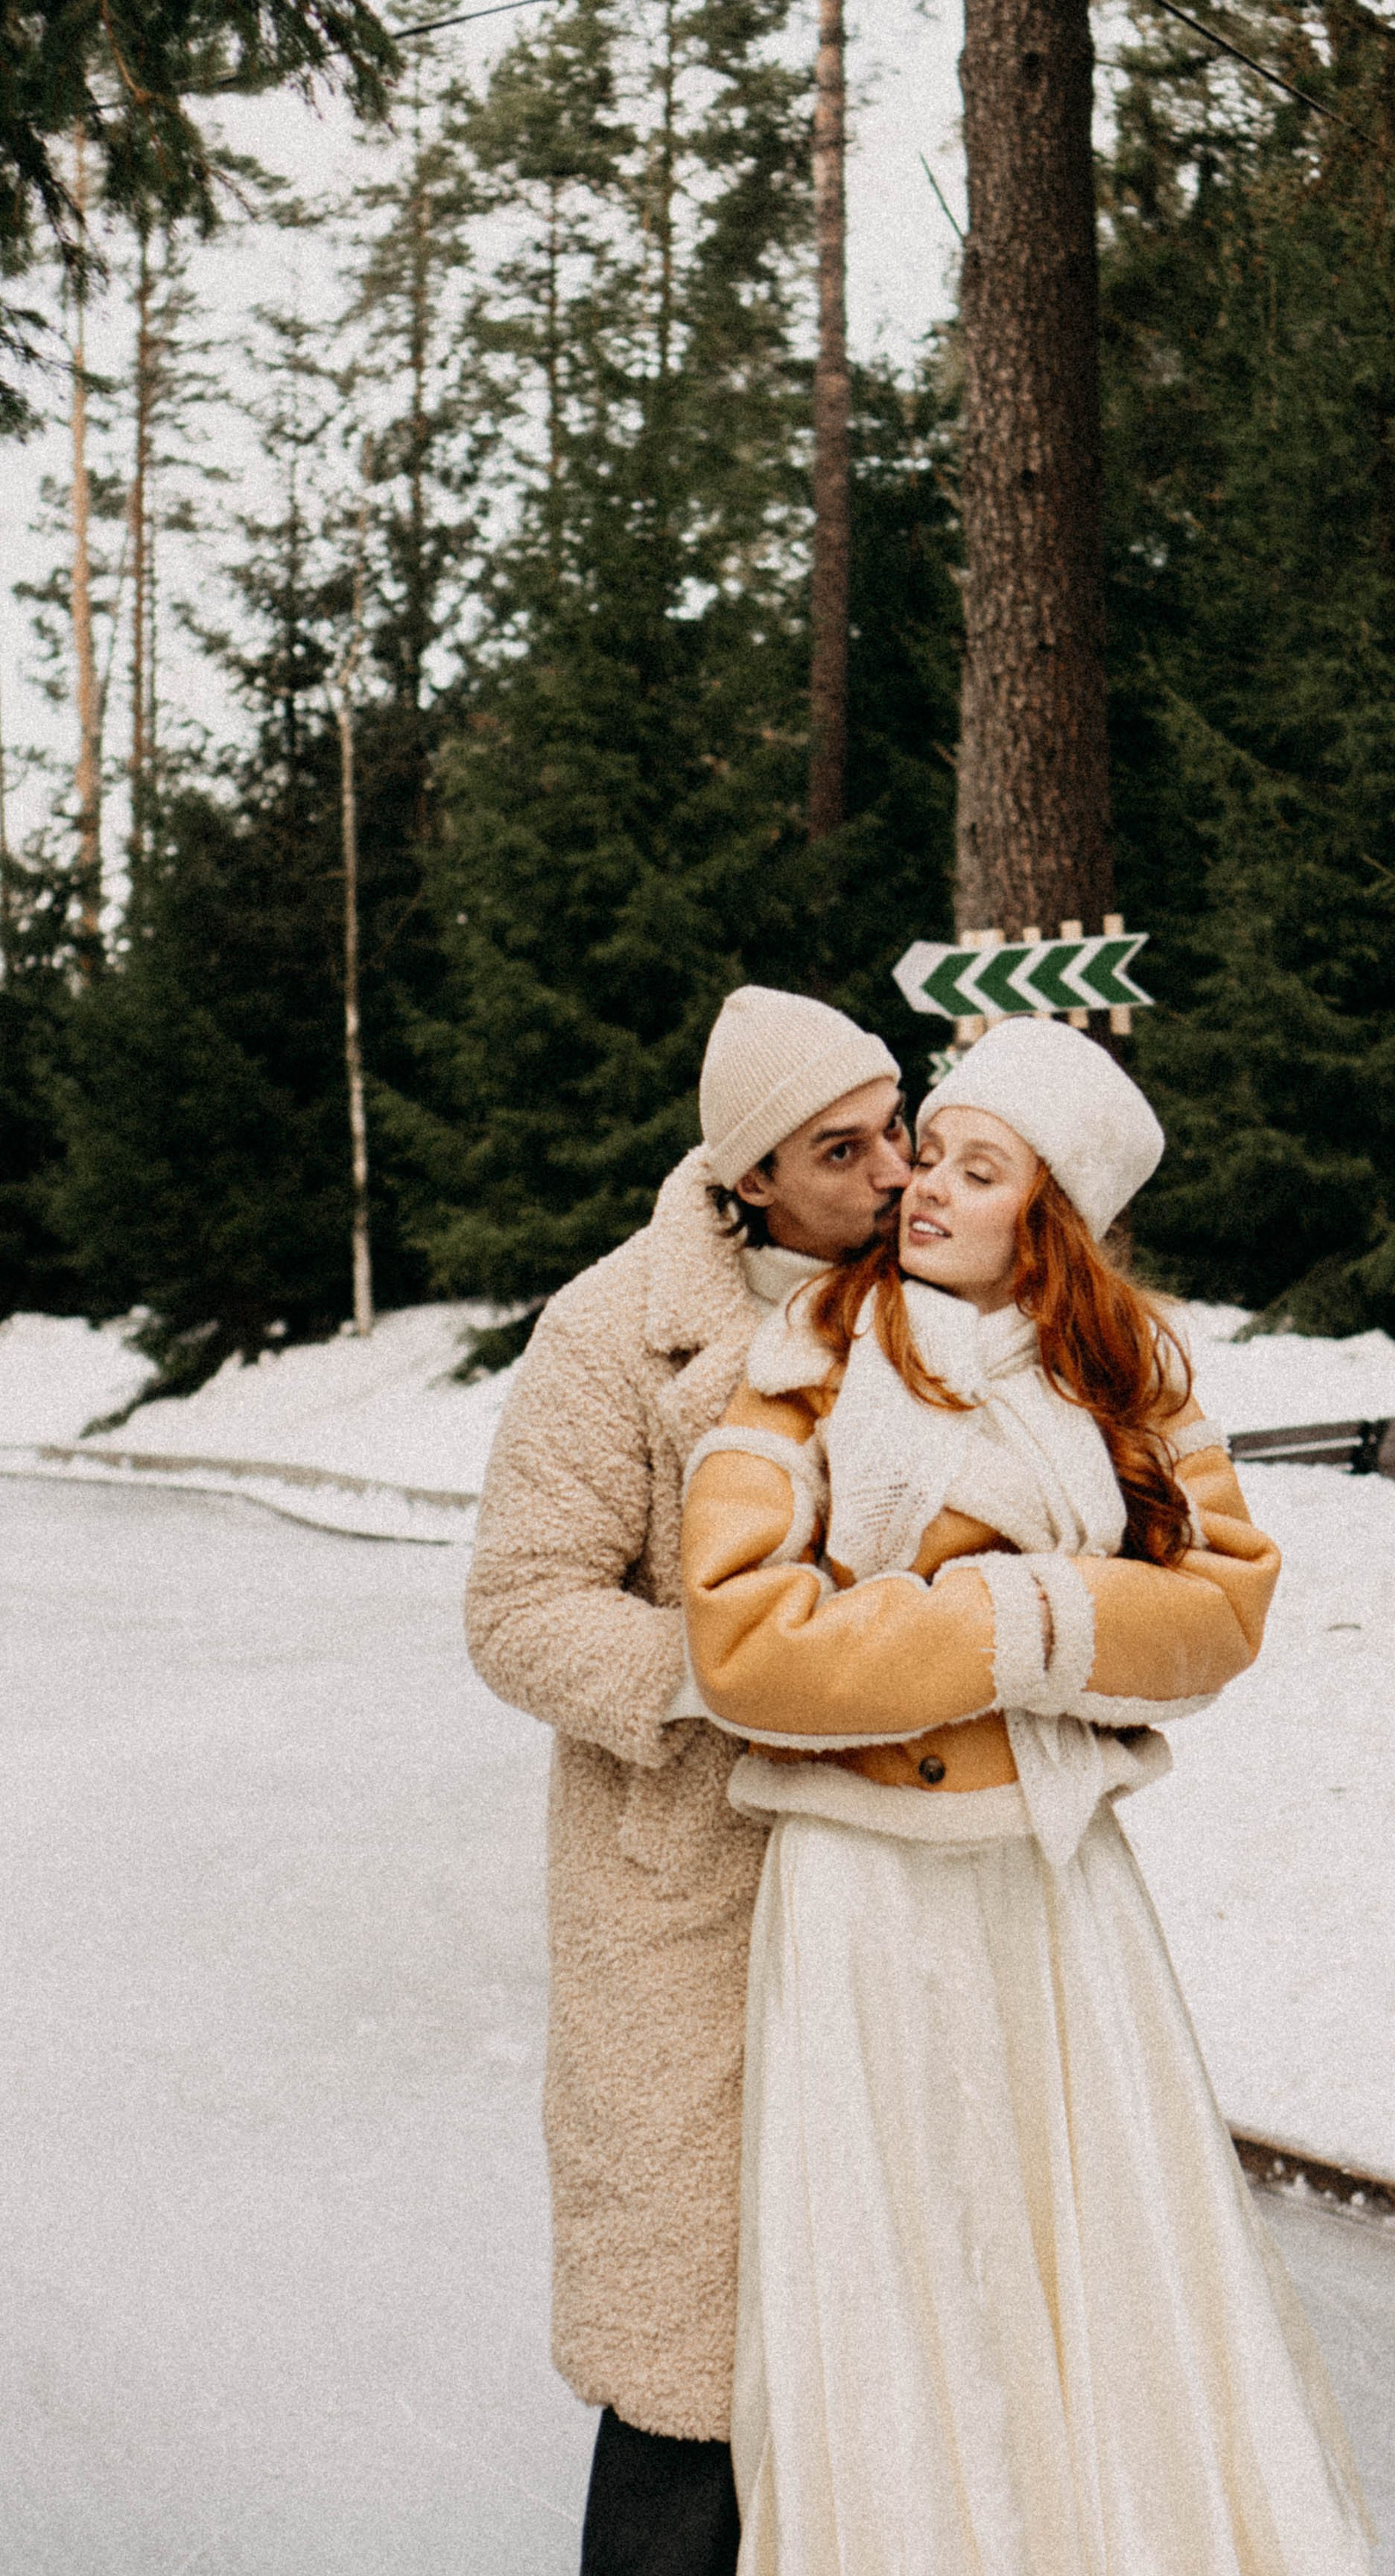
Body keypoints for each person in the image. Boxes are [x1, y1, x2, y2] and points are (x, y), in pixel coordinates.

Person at [680, 1017, 1374, 2575]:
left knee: (1105, 2264)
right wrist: (998, 1625)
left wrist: (1037, 1613)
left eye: (973, 1168)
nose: (921, 1186)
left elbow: (1219, 1610)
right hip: (868, 1884)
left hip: (1058, 1891)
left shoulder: (1125, 1376)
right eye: (928, 1149)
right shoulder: (811, 1359)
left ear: (1045, 1215)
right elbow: (741, 1642)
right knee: (909, 2278)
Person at [464, 984, 917, 2576]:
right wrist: (733, 1676)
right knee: (690, 2375)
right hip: (689, 1907)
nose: (890, 1173)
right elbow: (519, 1610)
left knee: (888, 2348)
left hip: (902, 1886)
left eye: (896, 1129)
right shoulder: (609, 1330)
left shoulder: (941, 1301)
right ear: (748, 1180)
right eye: (840, 1148)